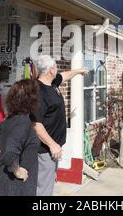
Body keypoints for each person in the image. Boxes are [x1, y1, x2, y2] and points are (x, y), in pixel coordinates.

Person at [31, 55, 87, 196]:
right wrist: (52, 145)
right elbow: (36, 124)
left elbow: (65, 75)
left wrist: (79, 70)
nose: (57, 69)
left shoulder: (52, 83)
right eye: (55, 66)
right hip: (45, 149)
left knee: (48, 182)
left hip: (54, 148)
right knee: (43, 187)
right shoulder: (39, 91)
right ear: (50, 70)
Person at [0, 79, 40, 196]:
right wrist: (17, 171)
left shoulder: (10, 119)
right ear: (32, 99)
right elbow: (10, 152)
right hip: (12, 186)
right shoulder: (23, 122)